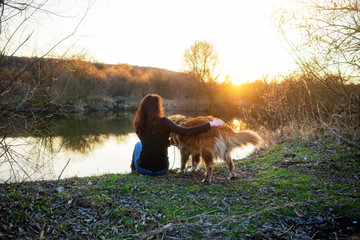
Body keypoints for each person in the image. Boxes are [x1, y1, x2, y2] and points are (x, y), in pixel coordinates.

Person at [131, 94, 223, 176]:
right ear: (157, 108)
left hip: (144, 170)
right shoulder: (165, 121)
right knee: (140, 144)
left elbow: (148, 141)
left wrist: (166, 142)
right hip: (162, 169)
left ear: (142, 108)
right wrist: (210, 124)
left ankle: (133, 170)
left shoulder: (138, 124)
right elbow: (186, 132)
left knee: (138, 144)